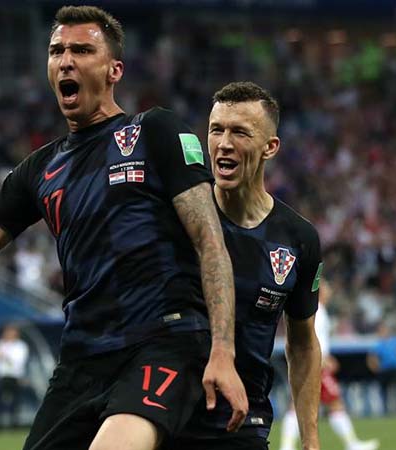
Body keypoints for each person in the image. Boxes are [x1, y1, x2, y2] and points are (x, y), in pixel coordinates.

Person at [0, 5, 247, 450]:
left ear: (114, 70)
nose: (66, 61)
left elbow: (210, 242)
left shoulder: (155, 131)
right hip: (82, 359)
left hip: (162, 342)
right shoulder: (40, 170)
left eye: (82, 50)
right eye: (57, 50)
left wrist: (222, 350)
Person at [160, 82, 322, 450]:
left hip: (242, 422)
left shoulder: (298, 239)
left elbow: (303, 344)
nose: (224, 143)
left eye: (240, 132)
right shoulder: (176, 217)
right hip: (165, 417)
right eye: (216, 130)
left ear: (270, 147)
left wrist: (311, 441)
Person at [280, 279, 379, 450]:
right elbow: (311, 337)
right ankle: (352, 444)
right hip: (316, 364)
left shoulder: (318, 309)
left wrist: (326, 356)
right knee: (332, 403)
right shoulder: (316, 310)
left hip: (316, 362)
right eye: (326, 288)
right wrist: (323, 359)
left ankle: (287, 446)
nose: (329, 291)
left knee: (299, 403)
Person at [0, 324, 30, 429]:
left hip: (15, 376)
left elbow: (18, 362)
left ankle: (14, 423)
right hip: (1, 376)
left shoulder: (21, 346)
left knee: (15, 400)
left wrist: (5, 357)